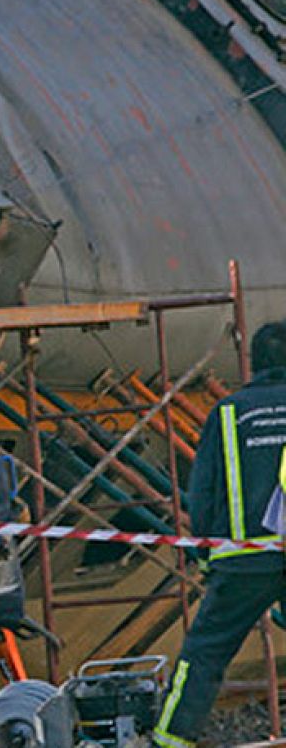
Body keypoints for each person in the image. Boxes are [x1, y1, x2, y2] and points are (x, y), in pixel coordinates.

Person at [152, 320, 286, 748]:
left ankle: (171, 740)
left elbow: (203, 489)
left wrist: (206, 551)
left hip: (242, 557)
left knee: (206, 651)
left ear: (254, 361)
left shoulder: (228, 412)